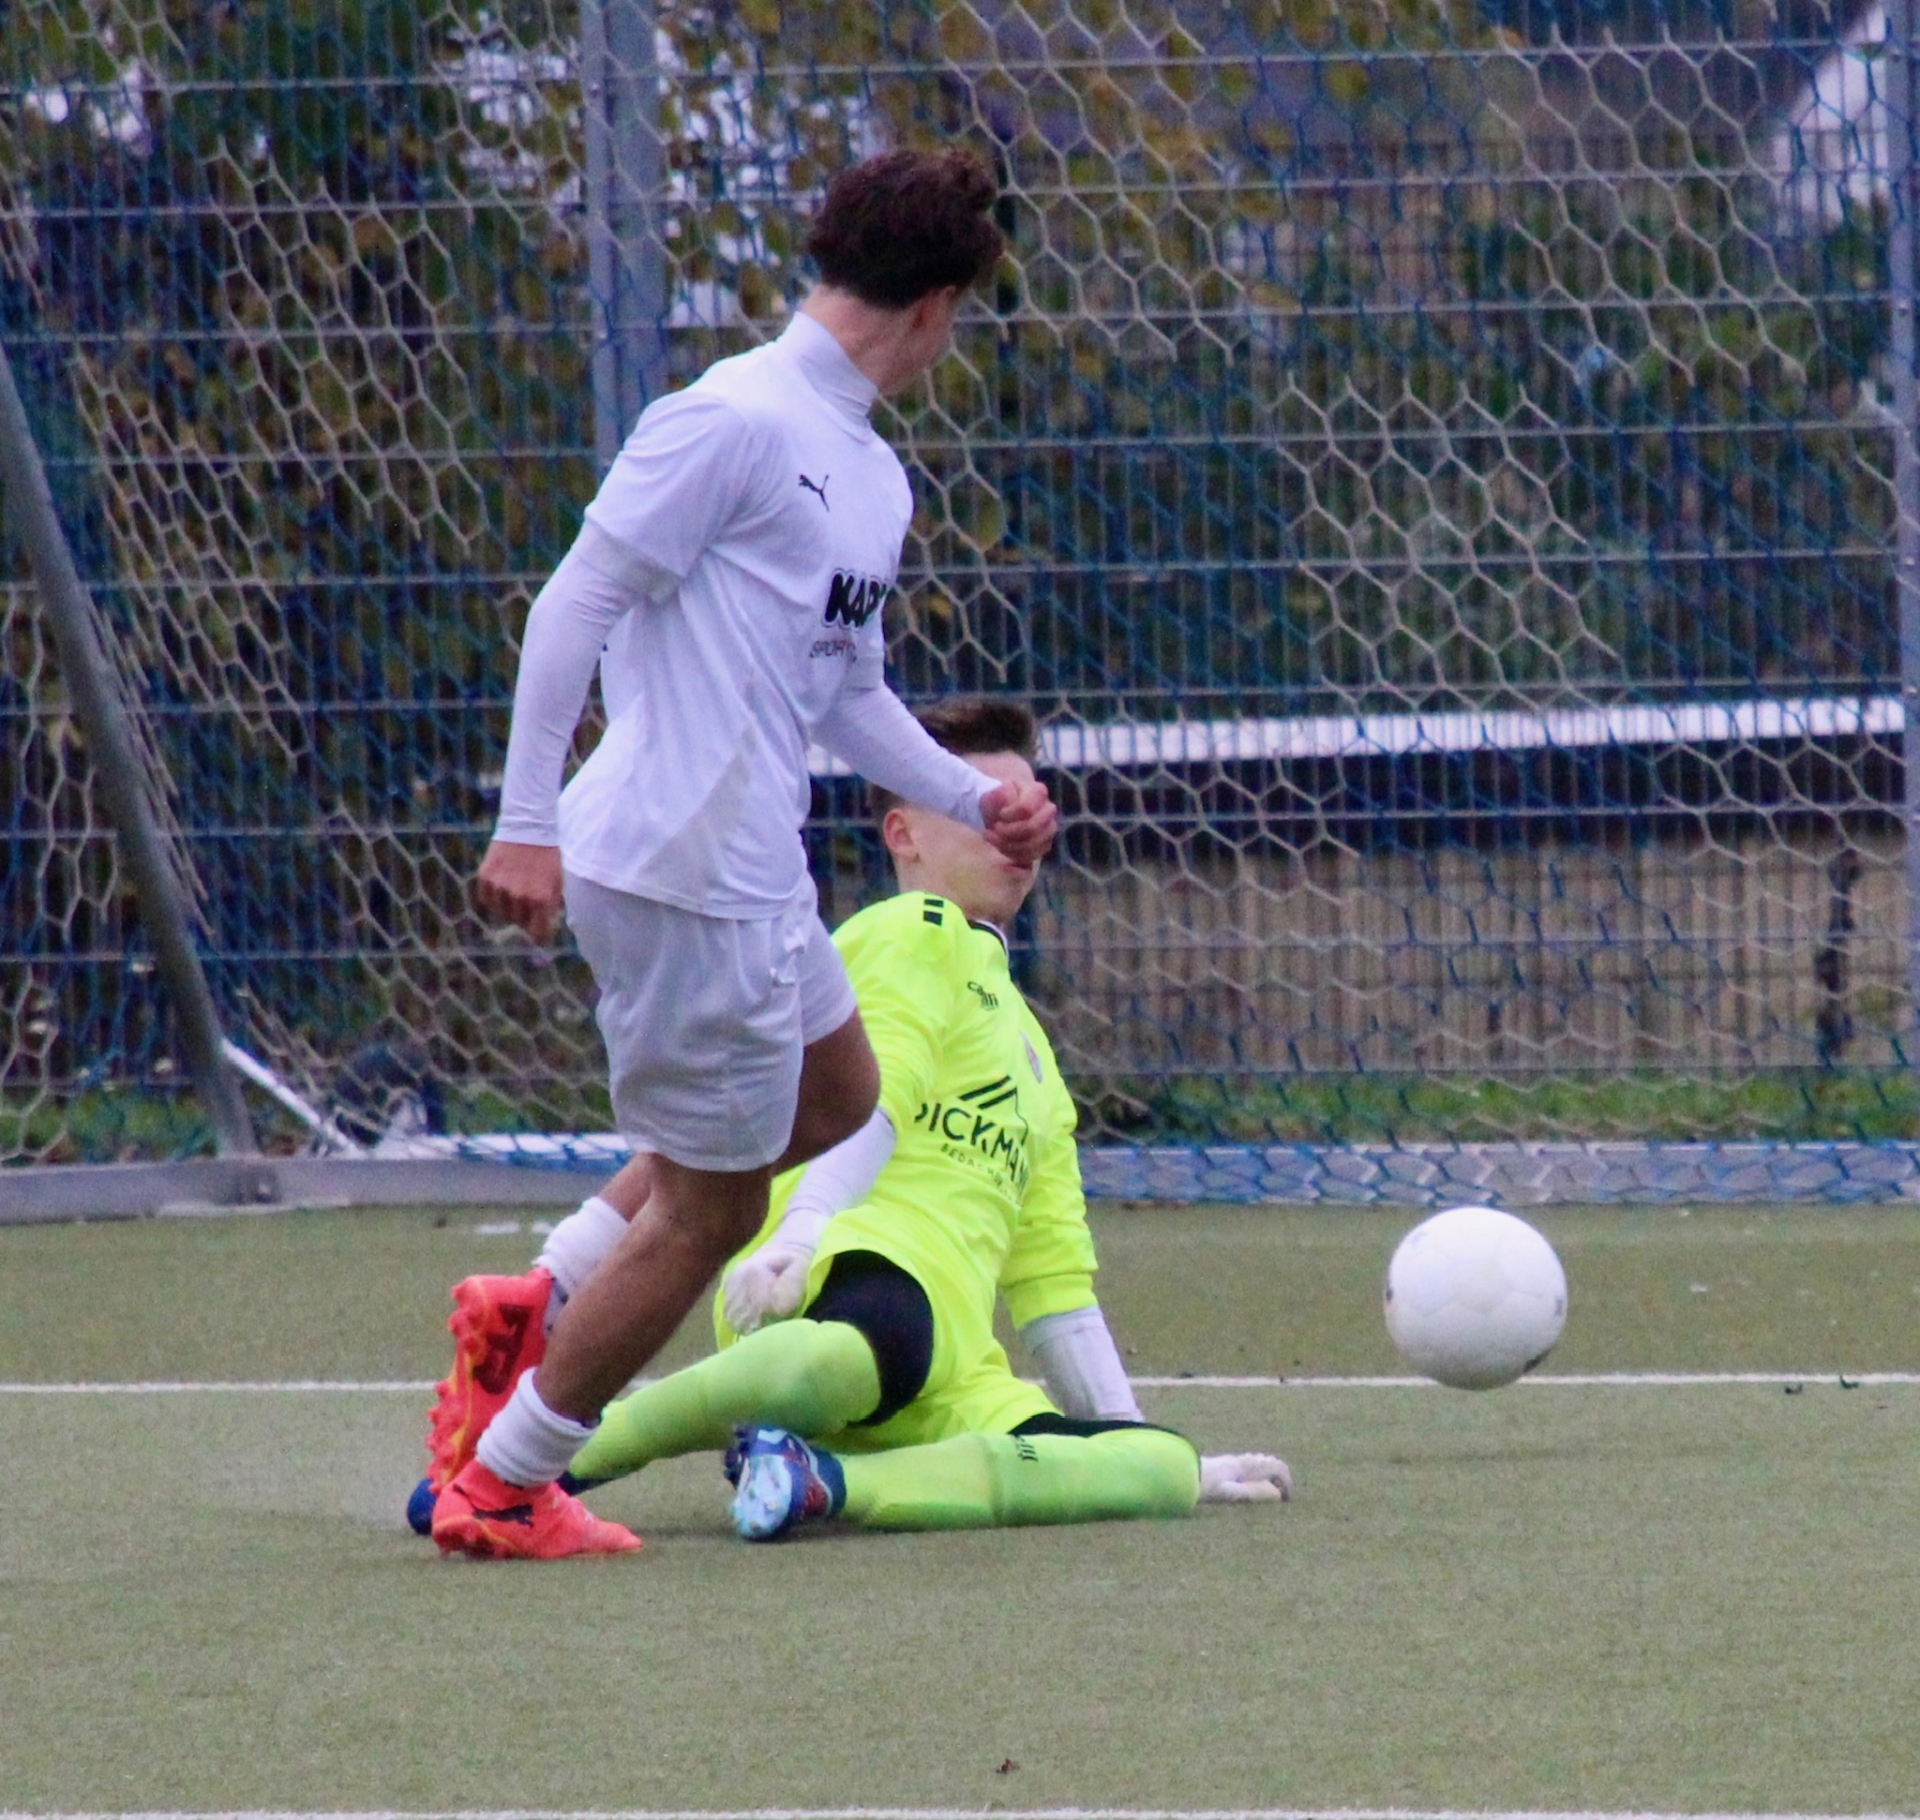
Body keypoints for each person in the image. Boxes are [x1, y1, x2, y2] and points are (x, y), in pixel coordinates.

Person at [430, 148, 1058, 1560]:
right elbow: (574, 600)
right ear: (933, 305)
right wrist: (525, 819)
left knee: (839, 1094)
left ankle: (545, 1292)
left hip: (754, 870)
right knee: (713, 1212)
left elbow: (847, 694)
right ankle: (507, 1479)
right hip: (679, 867)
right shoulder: (730, 417)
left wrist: (972, 796)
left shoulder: (871, 476)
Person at [412, 699, 1290, 1542]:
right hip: (830, 1282)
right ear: (904, 834)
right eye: (983, 808)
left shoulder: (1034, 1053)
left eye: (1026, 810)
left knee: (1162, 1467)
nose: (1013, 832)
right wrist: (800, 1235)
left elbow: (1054, 1287)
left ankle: (818, 1481)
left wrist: (1123, 1437)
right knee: (843, 1357)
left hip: (949, 1373)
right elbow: (877, 1101)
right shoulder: (915, 928)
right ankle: (531, 1461)